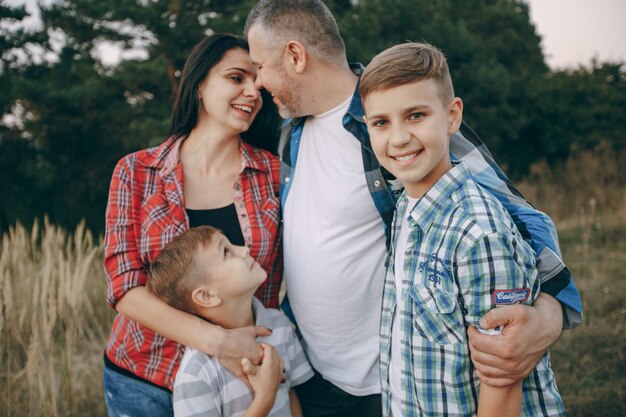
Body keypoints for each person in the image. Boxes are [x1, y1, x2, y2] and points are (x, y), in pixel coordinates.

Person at [243, 1, 582, 416]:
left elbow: (518, 216)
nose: (258, 82)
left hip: (394, 385)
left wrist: (549, 313)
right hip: (314, 375)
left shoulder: (395, 112)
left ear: (295, 55)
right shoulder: (289, 133)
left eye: (260, 65)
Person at [360, 41, 565, 417]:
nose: (399, 137)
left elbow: (501, 377)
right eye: (381, 123)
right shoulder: (405, 208)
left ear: (452, 116)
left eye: (416, 115)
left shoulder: (478, 232)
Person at [103, 33, 283, 416]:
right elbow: (123, 287)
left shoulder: (272, 173)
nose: (252, 91)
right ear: (200, 82)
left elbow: (278, 280)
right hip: (145, 376)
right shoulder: (136, 171)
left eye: (258, 83)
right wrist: (219, 342)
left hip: (237, 380)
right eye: (236, 78)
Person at [146, 226, 314, 417]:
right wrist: (266, 397)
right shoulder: (196, 374)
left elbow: (291, 395)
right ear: (207, 296)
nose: (244, 250)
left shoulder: (278, 325)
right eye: (226, 252)